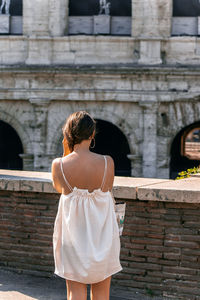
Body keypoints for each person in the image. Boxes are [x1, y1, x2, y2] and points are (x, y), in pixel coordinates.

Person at [51, 111, 122, 300]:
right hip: (103, 237)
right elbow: (107, 188)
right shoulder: (108, 162)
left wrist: (67, 152)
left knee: (75, 292)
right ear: (92, 135)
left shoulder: (58, 165)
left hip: (73, 238)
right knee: (101, 293)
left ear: (68, 134)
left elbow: (60, 188)